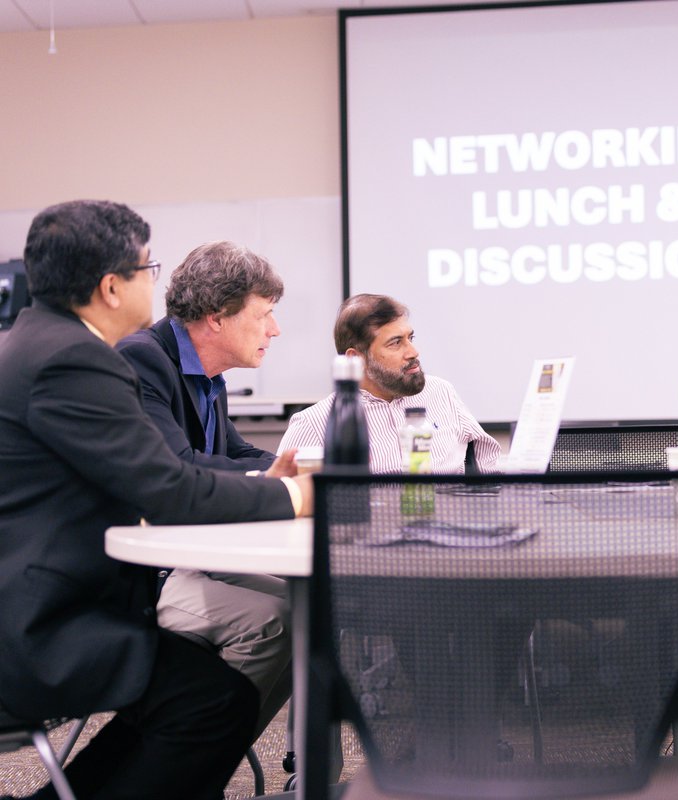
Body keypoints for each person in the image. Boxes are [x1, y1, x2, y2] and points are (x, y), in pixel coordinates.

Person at [0, 200, 311, 800]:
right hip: (41, 626)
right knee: (211, 702)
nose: (157, 284)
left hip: (57, 602)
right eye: (148, 268)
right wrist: (292, 494)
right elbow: (169, 487)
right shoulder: (73, 360)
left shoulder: (41, 343)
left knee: (199, 700)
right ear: (111, 287)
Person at [116, 241, 295, 737]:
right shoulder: (142, 360)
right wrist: (281, 485)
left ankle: (204, 756)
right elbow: (180, 467)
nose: (274, 329)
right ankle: (184, 755)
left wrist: (300, 470)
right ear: (217, 317)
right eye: (264, 314)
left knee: (311, 610)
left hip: (186, 555)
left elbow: (235, 453)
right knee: (277, 621)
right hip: (139, 573)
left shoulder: (206, 374)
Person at [279, 293, 501, 472]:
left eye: (410, 338)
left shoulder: (441, 392)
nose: (413, 352)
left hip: (450, 513)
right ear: (356, 359)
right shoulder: (314, 423)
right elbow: (286, 495)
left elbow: (487, 465)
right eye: (395, 343)